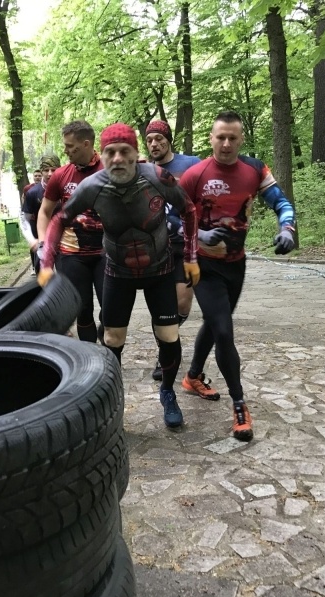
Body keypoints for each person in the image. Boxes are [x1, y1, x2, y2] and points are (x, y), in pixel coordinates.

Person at [38, 123, 200, 430]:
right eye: (110, 152)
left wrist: (191, 257)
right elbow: (59, 219)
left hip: (160, 270)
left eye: (124, 151)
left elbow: (189, 210)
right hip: (117, 271)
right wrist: (47, 260)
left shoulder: (157, 177)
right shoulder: (92, 186)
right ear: (104, 154)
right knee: (112, 338)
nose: (117, 159)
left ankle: (167, 392)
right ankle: (113, 398)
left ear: (136, 153)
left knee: (168, 335)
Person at [179, 110, 296, 441]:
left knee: (215, 325)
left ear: (241, 138)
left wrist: (286, 228)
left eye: (233, 137)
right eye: (221, 137)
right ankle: (240, 404)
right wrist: (199, 237)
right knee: (225, 332)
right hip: (204, 266)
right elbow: (170, 218)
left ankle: (192, 377)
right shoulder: (195, 174)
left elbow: (281, 203)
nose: (227, 143)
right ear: (211, 138)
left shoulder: (254, 170)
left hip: (236, 264)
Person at [144, 120, 212, 398]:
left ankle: (166, 341)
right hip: (155, 247)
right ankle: (165, 353)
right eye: (149, 140)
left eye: (159, 139)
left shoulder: (192, 163)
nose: (154, 144)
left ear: (168, 139)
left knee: (183, 303)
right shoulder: (145, 170)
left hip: (185, 245)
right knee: (161, 306)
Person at [37, 120, 105, 343]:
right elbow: (45, 212)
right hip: (71, 254)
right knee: (83, 309)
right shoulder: (61, 175)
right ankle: (90, 358)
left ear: (86, 144)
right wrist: (42, 241)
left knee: (112, 310)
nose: (65, 151)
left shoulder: (110, 169)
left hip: (107, 254)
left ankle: (110, 354)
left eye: (69, 146)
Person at [20, 154, 60, 274]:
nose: (50, 174)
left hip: (64, 244)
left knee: (66, 281)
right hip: (42, 244)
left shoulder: (65, 189)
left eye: (53, 170)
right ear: (41, 171)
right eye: (46, 170)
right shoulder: (33, 193)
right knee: (43, 282)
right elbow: (23, 218)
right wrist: (31, 240)